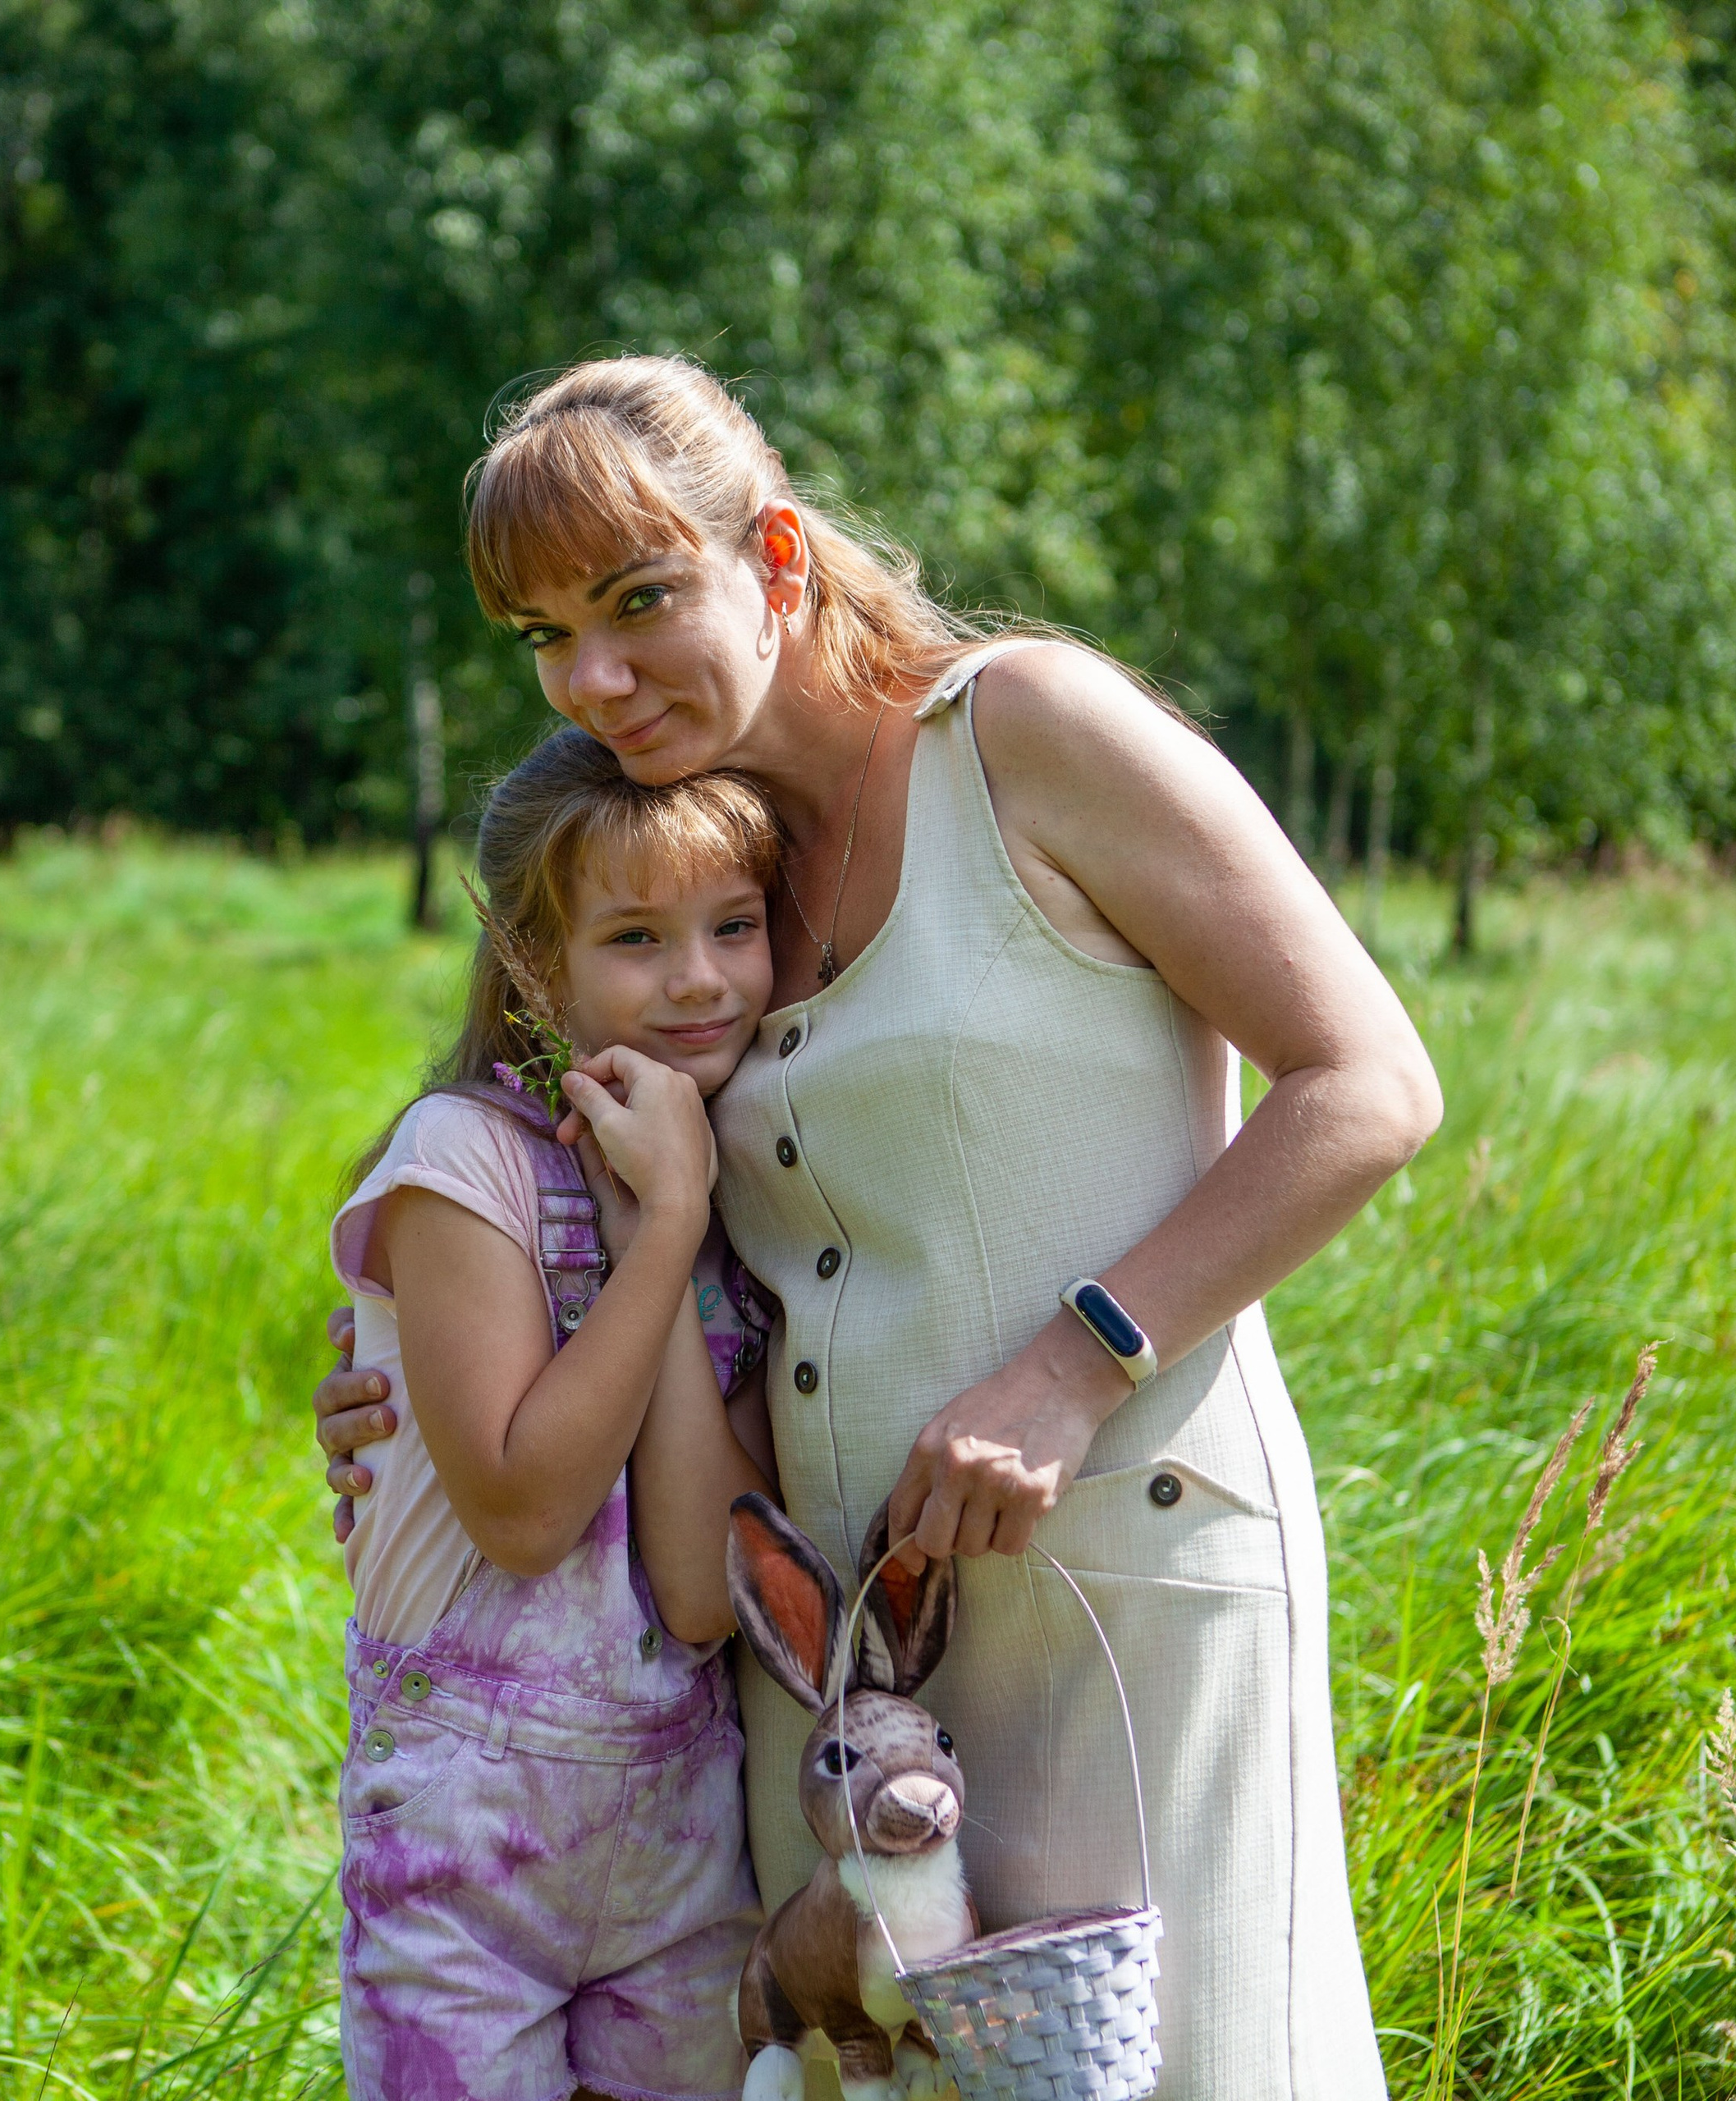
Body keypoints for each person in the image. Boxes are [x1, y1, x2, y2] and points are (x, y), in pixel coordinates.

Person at [318, 355, 1444, 2096]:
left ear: (772, 553)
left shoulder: (1026, 733)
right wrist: (399, 1399)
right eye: (540, 633)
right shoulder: (716, 862)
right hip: (826, 1664)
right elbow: (605, 1205)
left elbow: (1366, 1082)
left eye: (637, 599)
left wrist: (1077, 1362)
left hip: (1111, 1581)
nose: (591, 675)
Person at [330, 727, 785, 2101]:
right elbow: (527, 1513)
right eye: (636, 939)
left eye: (738, 926)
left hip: (683, 1843)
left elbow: (704, 1595)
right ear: (538, 963)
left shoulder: (732, 1182)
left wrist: (687, 1209)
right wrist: (666, 1231)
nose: (700, 979)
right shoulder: (466, 1164)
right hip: (466, 1845)